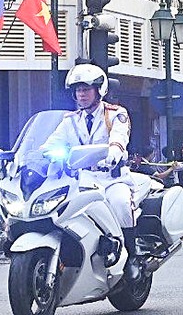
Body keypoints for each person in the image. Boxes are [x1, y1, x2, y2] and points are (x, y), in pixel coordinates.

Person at [45, 63, 142, 266]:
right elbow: (51, 142)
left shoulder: (116, 114)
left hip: (111, 179)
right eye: (78, 90)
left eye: (86, 89)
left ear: (99, 90)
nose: (81, 94)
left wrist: (114, 152)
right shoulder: (70, 120)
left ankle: (132, 258)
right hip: (83, 180)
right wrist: (34, 155)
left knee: (121, 204)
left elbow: (119, 137)